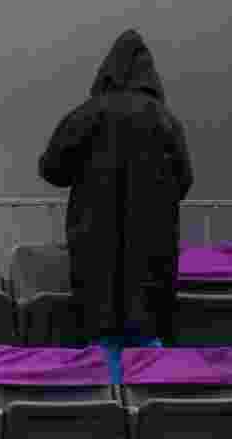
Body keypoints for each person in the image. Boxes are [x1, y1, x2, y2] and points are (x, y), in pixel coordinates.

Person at [39, 29, 194, 383]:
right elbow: (184, 181)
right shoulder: (165, 120)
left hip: (96, 245)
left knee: (101, 331)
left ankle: (109, 412)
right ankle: (149, 411)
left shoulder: (88, 114)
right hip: (153, 247)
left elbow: (52, 168)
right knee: (149, 331)